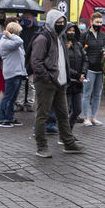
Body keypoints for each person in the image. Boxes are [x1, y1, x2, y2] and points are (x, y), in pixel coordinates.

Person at [30, 10, 82, 158]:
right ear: (51, 22)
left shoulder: (61, 37)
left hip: (60, 82)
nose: (61, 25)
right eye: (58, 23)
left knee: (63, 114)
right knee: (43, 115)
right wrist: (47, 78)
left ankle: (68, 142)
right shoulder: (43, 38)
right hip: (47, 83)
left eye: (63, 23)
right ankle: (41, 146)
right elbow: (36, 62)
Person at [80, 10, 105, 126]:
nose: (99, 24)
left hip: (100, 70)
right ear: (91, 22)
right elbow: (80, 51)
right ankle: (85, 117)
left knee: (97, 94)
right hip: (89, 69)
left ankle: (94, 117)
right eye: (97, 22)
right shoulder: (85, 36)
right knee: (87, 93)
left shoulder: (104, 36)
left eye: (100, 22)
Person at [0, 19, 26, 128]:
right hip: (12, 72)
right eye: (17, 32)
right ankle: (2, 118)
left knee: (13, 97)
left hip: (17, 72)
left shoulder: (11, 41)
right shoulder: (6, 41)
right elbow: (19, 41)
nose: (19, 35)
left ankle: (10, 117)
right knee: (8, 96)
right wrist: (10, 35)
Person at [63, 21, 86, 124]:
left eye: (73, 31)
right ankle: (64, 133)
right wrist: (76, 75)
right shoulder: (62, 46)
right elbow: (63, 64)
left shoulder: (78, 45)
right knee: (65, 110)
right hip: (66, 81)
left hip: (77, 82)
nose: (71, 33)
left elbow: (85, 59)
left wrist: (83, 73)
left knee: (77, 110)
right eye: (69, 30)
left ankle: (69, 130)